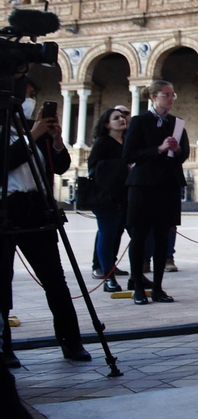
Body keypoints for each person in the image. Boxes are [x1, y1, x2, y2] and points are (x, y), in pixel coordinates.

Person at [0, 80, 87, 366]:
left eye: (33, 96)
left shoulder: (32, 129)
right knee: (2, 280)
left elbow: (59, 166)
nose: (31, 101)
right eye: (27, 95)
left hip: (37, 206)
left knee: (55, 278)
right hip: (7, 207)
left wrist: (56, 139)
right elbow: (5, 162)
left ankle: (70, 341)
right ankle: (4, 347)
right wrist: (32, 136)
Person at [122, 80, 188, 305]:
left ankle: (158, 287)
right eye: (166, 95)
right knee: (139, 237)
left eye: (172, 94)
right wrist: (158, 149)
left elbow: (184, 152)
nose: (170, 99)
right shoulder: (140, 122)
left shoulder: (177, 123)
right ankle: (138, 286)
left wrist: (177, 150)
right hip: (143, 186)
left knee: (163, 237)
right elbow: (129, 154)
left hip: (167, 185)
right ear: (154, 97)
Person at [85, 107, 130, 294]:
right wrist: (123, 166)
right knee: (107, 234)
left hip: (125, 195)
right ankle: (107, 277)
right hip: (106, 197)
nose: (122, 119)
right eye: (116, 117)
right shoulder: (103, 143)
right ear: (107, 124)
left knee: (123, 234)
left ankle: (126, 271)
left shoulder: (127, 142)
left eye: (123, 117)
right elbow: (94, 167)